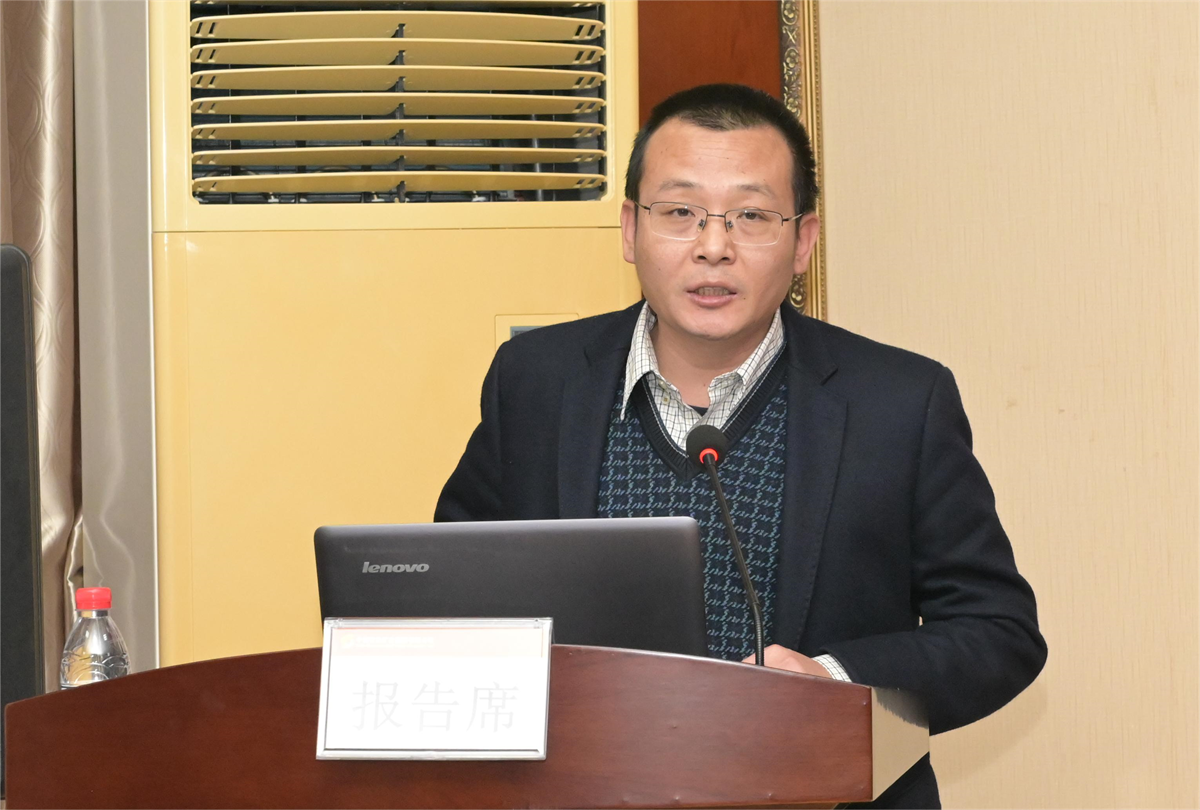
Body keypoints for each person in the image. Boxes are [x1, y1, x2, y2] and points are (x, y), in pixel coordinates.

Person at [435, 83, 1046, 808]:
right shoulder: (536, 381)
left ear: (804, 242)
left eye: (751, 216)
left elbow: (996, 631)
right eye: (680, 212)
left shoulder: (898, 402)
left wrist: (834, 682)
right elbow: (455, 592)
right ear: (630, 230)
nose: (713, 247)